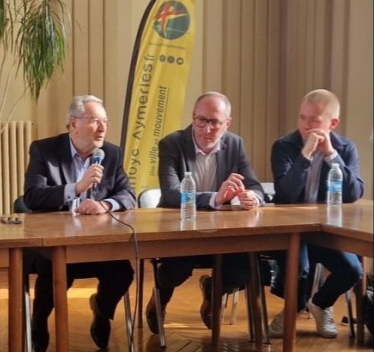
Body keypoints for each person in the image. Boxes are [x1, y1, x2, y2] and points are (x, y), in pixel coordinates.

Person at [23, 95, 136, 351]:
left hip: (96, 242)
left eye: (105, 121)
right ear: (74, 124)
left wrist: (106, 205)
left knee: (122, 273)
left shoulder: (111, 153)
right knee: (53, 273)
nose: (103, 128)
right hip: (55, 244)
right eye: (95, 121)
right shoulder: (44, 150)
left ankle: (102, 310)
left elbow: (129, 194)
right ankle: (39, 319)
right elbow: (31, 197)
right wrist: (77, 187)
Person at [148, 92, 265, 333]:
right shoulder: (172, 144)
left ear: (227, 123)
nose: (206, 129)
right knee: (176, 270)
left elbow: (255, 185)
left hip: (222, 232)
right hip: (181, 228)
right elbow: (170, 194)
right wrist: (215, 198)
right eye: (200, 120)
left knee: (248, 268)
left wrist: (253, 197)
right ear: (193, 117)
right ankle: (160, 297)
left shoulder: (234, 144)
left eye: (214, 122)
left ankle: (214, 291)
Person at [269, 88, 364, 338]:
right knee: (298, 269)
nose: (306, 125)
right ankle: (293, 308)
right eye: (302, 117)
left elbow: (354, 192)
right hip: (292, 229)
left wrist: (331, 154)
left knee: (352, 270)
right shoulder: (284, 146)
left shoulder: (346, 148)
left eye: (314, 120)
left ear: (332, 123)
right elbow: (286, 194)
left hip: (326, 230)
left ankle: (321, 304)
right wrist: (305, 155)